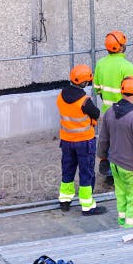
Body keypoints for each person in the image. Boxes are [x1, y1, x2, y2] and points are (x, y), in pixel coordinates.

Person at [97, 77, 133, 228]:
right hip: (132, 168)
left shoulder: (109, 112)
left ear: (121, 92)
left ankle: (122, 224)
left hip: (115, 165)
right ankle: (130, 229)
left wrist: (102, 158)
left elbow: (103, 139)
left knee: (121, 195)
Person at [56, 64, 107, 216]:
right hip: (84, 142)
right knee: (86, 173)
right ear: (84, 82)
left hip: (66, 141)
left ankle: (65, 200)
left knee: (68, 170)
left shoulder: (61, 96)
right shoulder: (84, 101)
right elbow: (96, 113)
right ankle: (87, 206)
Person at [93, 30, 133, 179]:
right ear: (120, 47)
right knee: (124, 143)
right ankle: (120, 172)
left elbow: (97, 88)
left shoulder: (100, 64)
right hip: (125, 112)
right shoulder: (127, 66)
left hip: (108, 111)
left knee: (110, 140)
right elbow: (132, 92)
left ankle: (109, 171)